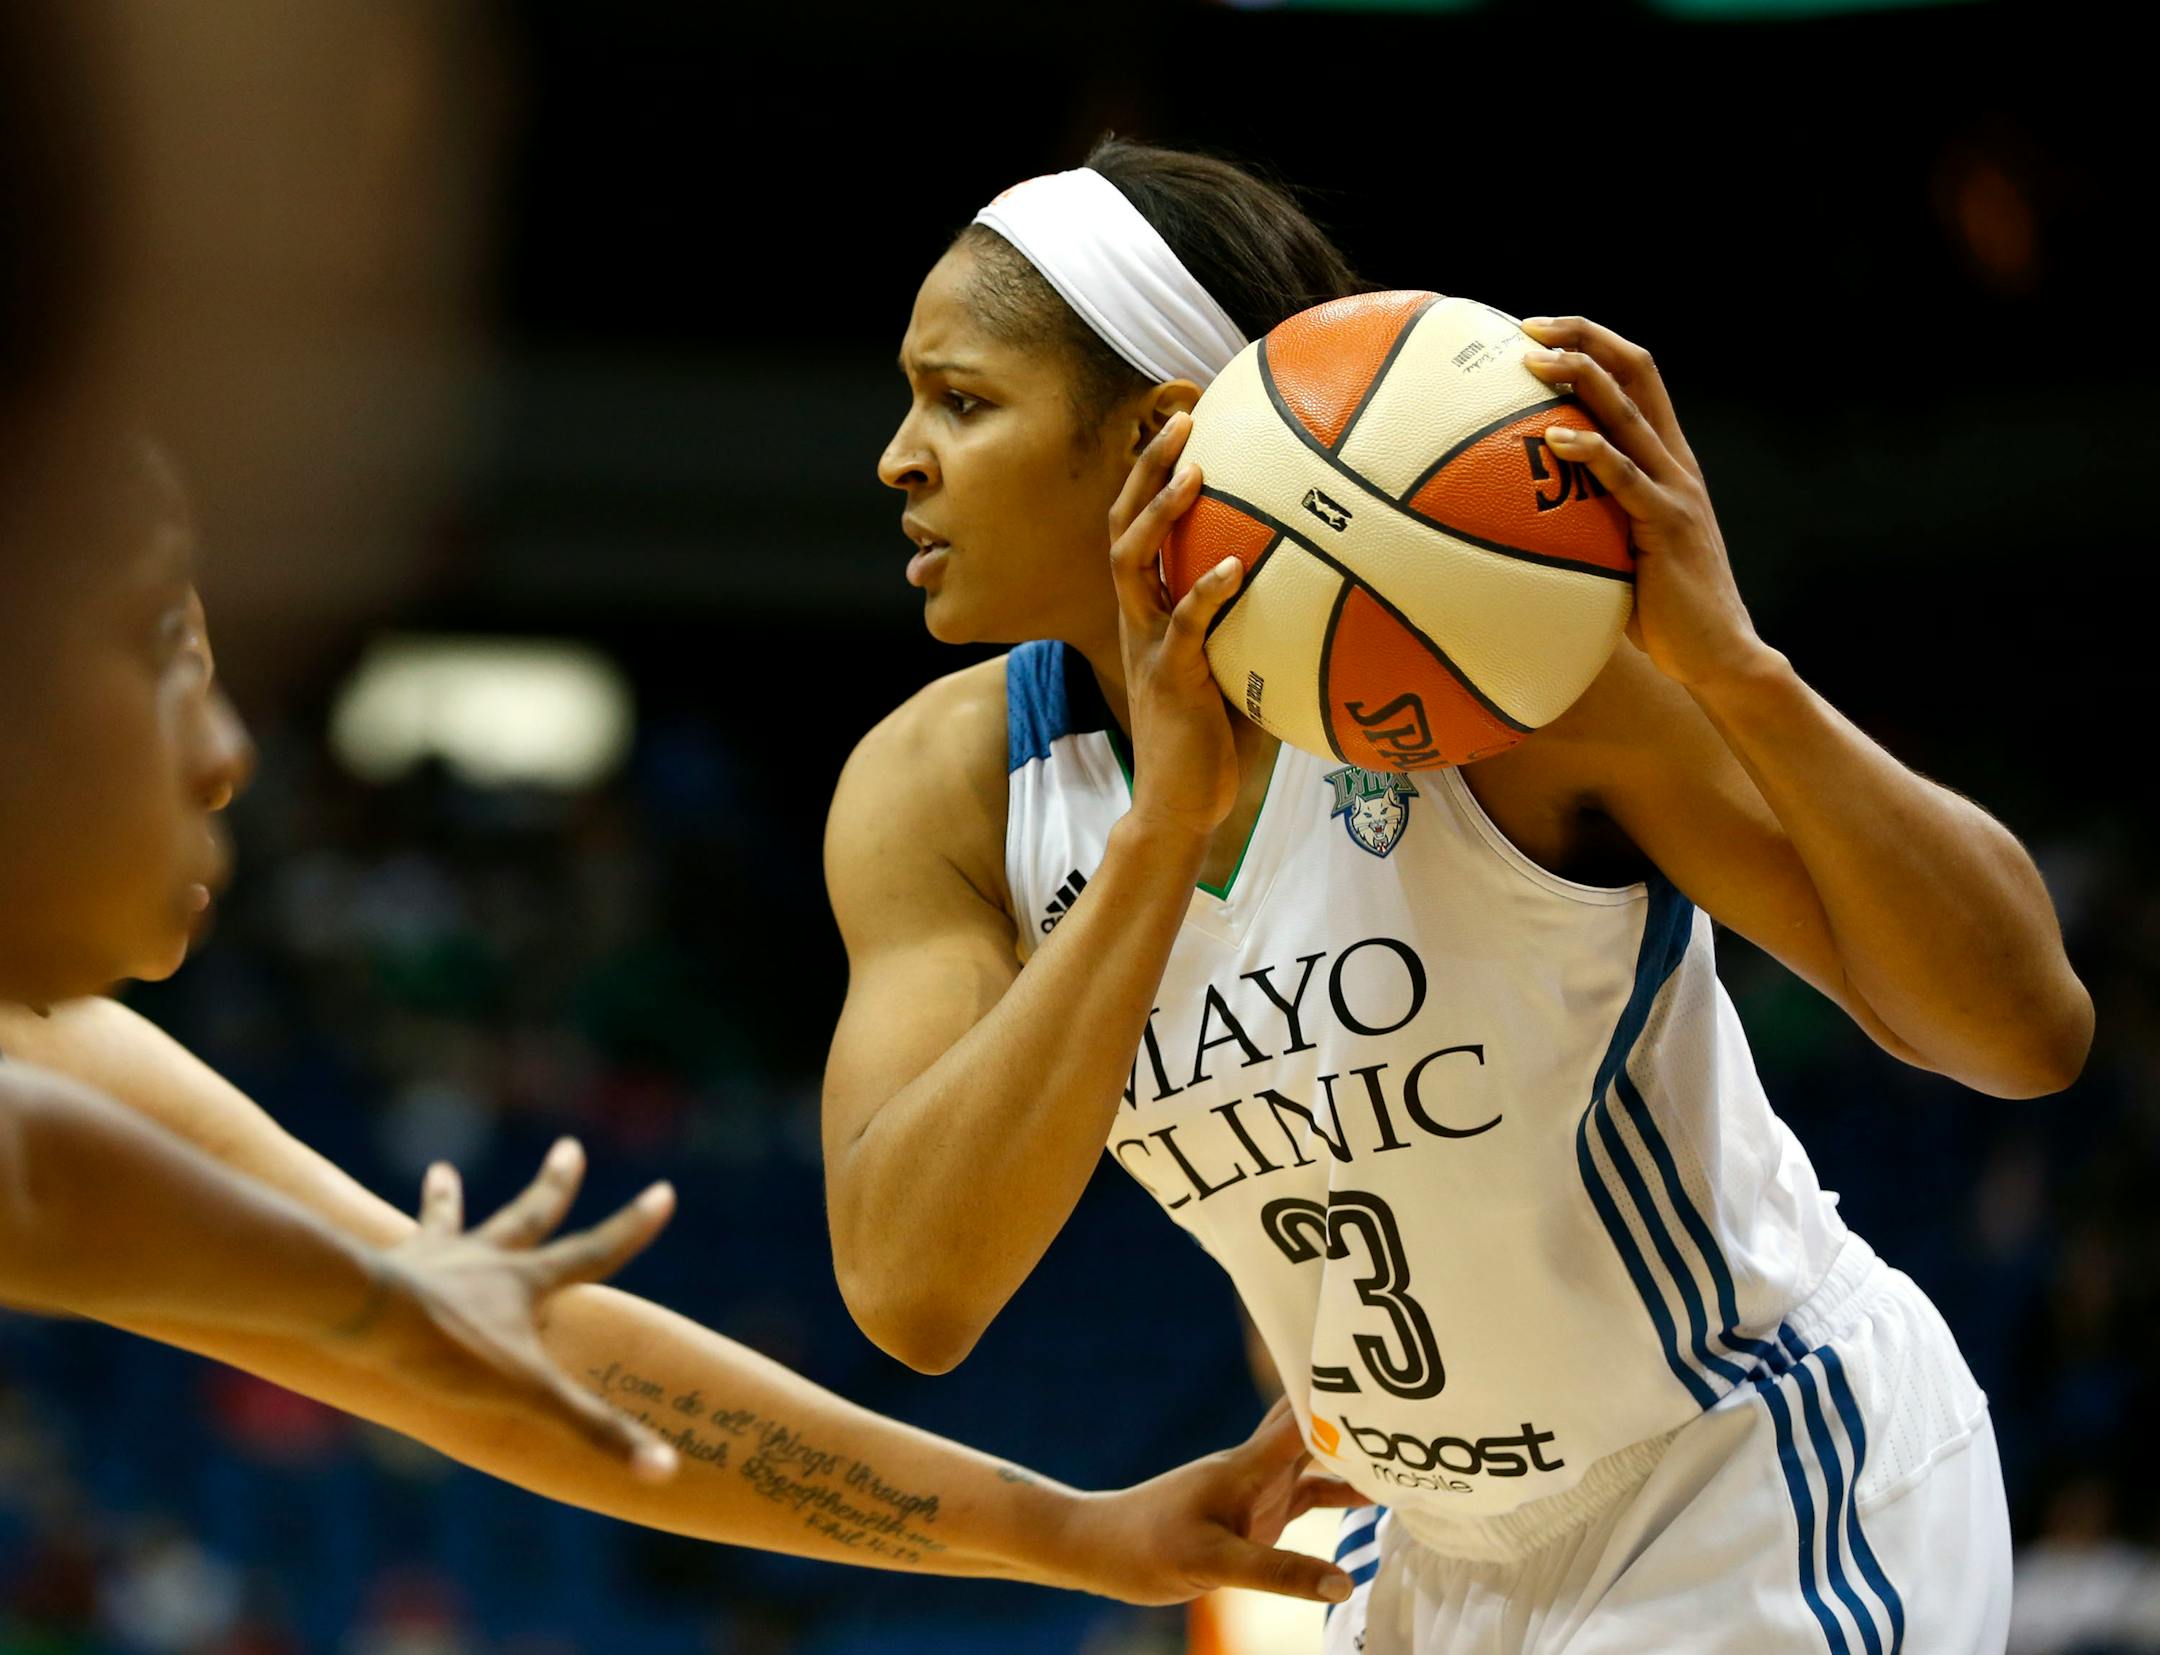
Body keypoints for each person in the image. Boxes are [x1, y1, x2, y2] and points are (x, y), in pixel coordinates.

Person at [822, 138, 2095, 1652]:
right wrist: (1163, 835)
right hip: (1430, 1555)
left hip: (1747, 1478)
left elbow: (2022, 1033)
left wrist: (1735, 670)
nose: (899, 455)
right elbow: (913, 1290)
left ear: (1160, 436)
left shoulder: (1505, 687)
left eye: (962, 401)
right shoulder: (943, 796)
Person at [0, 427, 1357, 1609]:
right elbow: (52, 1179)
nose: (231, 754)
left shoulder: (43, 1047)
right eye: (162, 651)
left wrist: (1067, 1531)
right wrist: (366, 1299)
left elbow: (482, 1349)